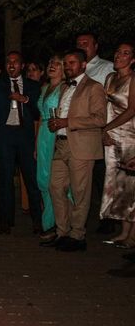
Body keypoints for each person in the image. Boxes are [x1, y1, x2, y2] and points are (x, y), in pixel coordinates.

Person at [42, 49, 107, 252]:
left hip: (81, 146)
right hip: (60, 143)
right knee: (55, 187)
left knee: (80, 193)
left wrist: (67, 121)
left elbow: (100, 119)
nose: (69, 66)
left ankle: (78, 235)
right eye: (67, 63)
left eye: (73, 63)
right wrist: (56, 124)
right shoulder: (63, 87)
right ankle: (63, 231)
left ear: (83, 65)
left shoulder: (94, 87)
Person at [0, 51, 43, 235]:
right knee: (5, 180)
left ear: (22, 65)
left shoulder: (33, 85)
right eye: (8, 62)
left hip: (24, 137)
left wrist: (25, 99)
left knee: (31, 179)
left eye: (15, 62)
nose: (11, 65)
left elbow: (39, 110)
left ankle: (38, 221)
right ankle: (5, 221)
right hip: (4, 137)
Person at [75, 31, 115, 234]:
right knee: (84, 178)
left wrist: (107, 128)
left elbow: (113, 102)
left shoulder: (107, 68)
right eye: (79, 43)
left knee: (102, 175)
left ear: (96, 46)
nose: (82, 46)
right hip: (80, 131)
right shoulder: (72, 69)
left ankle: (107, 219)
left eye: (86, 43)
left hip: (100, 129)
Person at [99, 42, 135, 249]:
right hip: (111, 137)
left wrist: (107, 128)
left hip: (130, 136)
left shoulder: (133, 79)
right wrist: (104, 131)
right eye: (118, 52)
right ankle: (123, 232)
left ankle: (132, 236)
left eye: (125, 53)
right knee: (117, 185)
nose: (119, 56)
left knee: (130, 187)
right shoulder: (110, 78)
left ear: (132, 59)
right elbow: (106, 106)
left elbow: (131, 110)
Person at [35, 55, 66, 243]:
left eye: (56, 64)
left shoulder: (65, 89)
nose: (51, 66)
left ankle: (58, 225)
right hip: (44, 136)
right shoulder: (45, 88)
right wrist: (37, 143)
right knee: (43, 180)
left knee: (57, 181)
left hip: (57, 133)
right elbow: (40, 117)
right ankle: (48, 223)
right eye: (50, 63)